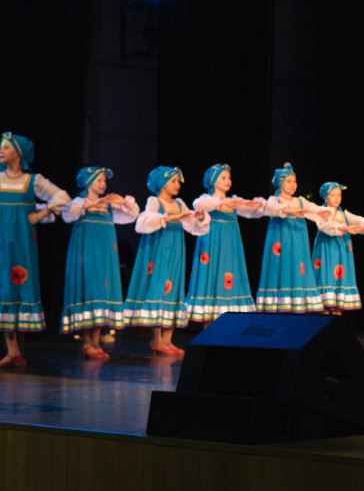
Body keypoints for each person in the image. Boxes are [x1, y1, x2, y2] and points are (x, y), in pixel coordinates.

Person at [122, 166, 209, 355]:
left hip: (176, 251)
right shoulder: (155, 201)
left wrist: (200, 218)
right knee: (158, 288)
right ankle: (157, 339)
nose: (177, 185)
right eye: (173, 181)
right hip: (159, 250)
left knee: (174, 288)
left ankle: (168, 340)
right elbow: (144, 221)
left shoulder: (179, 203)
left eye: (178, 182)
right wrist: (170, 217)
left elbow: (193, 225)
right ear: (162, 183)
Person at [0, 132, 69, 367]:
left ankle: (17, 350)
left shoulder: (33, 180)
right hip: (2, 241)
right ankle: (12, 350)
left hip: (23, 241)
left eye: (6, 147)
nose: (1, 151)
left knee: (20, 286)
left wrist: (41, 213)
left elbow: (62, 197)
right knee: (5, 288)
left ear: (19, 153)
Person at [60, 166, 139, 359]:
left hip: (105, 255)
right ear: (88, 182)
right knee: (89, 291)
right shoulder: (79, 202)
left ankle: (95, 343)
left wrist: (122, 201)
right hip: (87, 254)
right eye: (99, 180)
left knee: (101, 293)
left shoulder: (108, 206)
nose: (103, 184)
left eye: (104, 181)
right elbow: (68, 215)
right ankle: (87, 342)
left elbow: (132, 215)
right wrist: (94, 203)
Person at [187, 164, 265, 323]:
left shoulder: (233, 201)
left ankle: (228, 323)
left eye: (229, 177)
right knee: (213, 274)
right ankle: (209, 323)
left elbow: (252, 212)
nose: (228, 181)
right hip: (213, 243)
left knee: (230, 275)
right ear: (213, 181)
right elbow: (198, 205)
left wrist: (256, 205)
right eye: (223, 177)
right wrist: (221, 204)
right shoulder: (207, 200)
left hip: (230, 245)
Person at [257, 162, 330, 313]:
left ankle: (297, 302)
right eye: (288, 181)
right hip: (282, 240)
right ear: (280, 183)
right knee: (283, 265)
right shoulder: (275, 200)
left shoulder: (300, 201)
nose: (292, 185)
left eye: (294, 181)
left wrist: (322, 211)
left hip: (298, 241)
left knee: (298, 265)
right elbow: (269, 209)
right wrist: (289, 211)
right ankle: (282, 302)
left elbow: (313, 208)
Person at [312, 181, 364, 314]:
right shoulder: (322, 212)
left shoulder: (343, 214)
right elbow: (326, 226)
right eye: (333, 195)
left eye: (339, 195)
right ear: (325, 197)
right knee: (327, 274)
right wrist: (346, 228)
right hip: (328, 249)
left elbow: (357, 220)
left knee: (339, 276)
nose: (337, 198)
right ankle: (324, 309)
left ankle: (337, 309)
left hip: (342, 251)